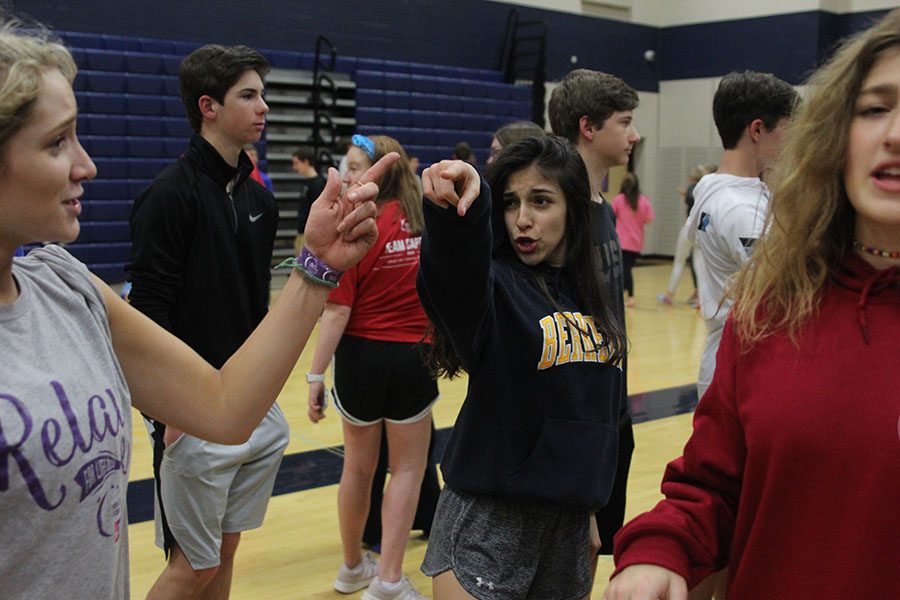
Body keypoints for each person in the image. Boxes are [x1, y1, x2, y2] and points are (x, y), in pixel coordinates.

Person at [0, 20, 396, 600]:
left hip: (228, 400)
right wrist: (170, 421)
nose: (87, 165)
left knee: (220, 556)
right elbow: (159, 306)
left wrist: (319, 265)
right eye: (58, 141)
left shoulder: (68, 285)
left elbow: (225, 405)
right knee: (194, 564)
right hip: (187, 428)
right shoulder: (170, 196)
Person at [603, 9, 900, 599]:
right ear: (837, 134)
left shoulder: (716, 197)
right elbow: (714, 484)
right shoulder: (772, 306)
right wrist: (661, 551)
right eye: (875, 108)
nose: (894, 132)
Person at [418, 135, 627, 600]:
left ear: (572, 208)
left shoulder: (593, 294)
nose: (522, 220)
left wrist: (590, 507)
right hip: (489, 519)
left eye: (541, 201)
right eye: (510, 204)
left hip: (568, 525)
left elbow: (598, 409)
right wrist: (463, 213)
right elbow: (452, 275)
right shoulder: (496, 287)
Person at [307, 134, 435, 600]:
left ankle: (355, 570)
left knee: (360, 470)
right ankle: (387, 580)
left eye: (357, 166)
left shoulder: (357, 226)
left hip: (361, 360)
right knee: (404, 470)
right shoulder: (421, 222)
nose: (349, 176)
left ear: (381, 171)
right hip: (411, 359)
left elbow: (337, 310)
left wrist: (316, 375)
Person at [548, 68, 639, 559]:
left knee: (591, 557)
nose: (635, 134)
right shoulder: (559, 215)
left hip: (611, 412)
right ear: (588, 127)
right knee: (568, 559)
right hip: (575, 423)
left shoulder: (602, 205)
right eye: (624, 122)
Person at [685, 70, 798, 400]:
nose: (792, 143)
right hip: (742, 367)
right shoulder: (740, 209)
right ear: (758, 130)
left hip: (730, 356)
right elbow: (784, 291)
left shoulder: (711, 186)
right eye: (787, 132)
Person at [657, 164, 715, 307]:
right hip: (702, 230)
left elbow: (689, 199)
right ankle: (701, 300)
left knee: (679, 261)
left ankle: (669, 294)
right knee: (699, 265)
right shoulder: (712, 191)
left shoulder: (694, 188)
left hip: (689, 227)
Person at [612, 172, 655, 307]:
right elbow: (649, 220)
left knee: (621, 269)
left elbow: (611, 215)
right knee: (627, 269)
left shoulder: (619, 199)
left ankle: (625, 295)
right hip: (636, 243)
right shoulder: (644, 201)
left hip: (620, 241)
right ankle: (628, 295)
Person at [291, 145, 327, 252]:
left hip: (310, 233)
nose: (294, 167)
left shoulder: (318, 184)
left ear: (306, 162)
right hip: (303, 231)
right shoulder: (307, 182)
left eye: (296, 163)